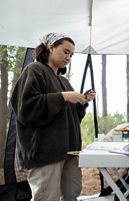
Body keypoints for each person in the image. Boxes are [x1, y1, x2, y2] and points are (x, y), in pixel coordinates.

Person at [10, 33, 96, 201]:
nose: (68, 57)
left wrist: (81, 102)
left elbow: (70, 117)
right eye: (65, 51)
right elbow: (26, 109)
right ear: (51, 47)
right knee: (47, 197)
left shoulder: (63, 81)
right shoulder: (34, 70)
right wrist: (63, 97)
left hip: (69, 149)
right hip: (46, 151)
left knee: (71, 194)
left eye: (71, 54)